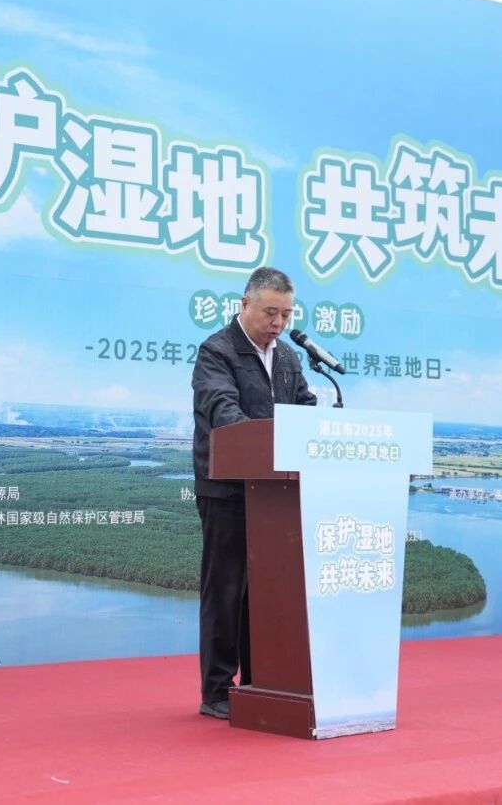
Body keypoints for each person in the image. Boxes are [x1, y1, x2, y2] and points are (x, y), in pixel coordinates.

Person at [191, 267, 317, 719]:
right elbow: (222, 410)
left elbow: (304, 407)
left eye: (286, 314)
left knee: (267, 591)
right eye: (270, 313)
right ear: (245, 304)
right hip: (226, 489)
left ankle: (261, 681)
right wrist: (266, 444)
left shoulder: (288, 358)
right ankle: (217, 690)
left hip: (275, 494)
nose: (279, 323)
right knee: (226, 590)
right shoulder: (217, 351)